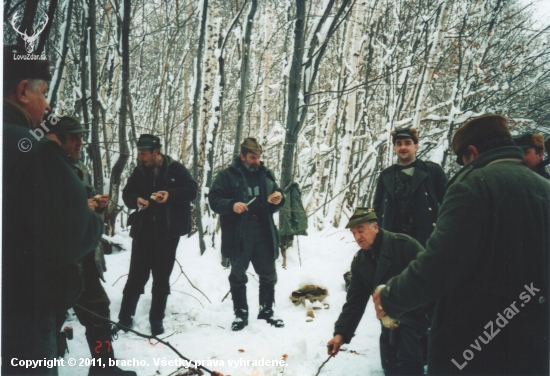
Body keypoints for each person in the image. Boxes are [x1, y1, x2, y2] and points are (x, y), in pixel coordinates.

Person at [373, 114, 550, 375]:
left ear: (472, 151)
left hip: (478, 338)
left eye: (464, 160)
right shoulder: (544, 187)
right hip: (534, 337)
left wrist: (390, 296)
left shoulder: (472, 185)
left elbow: (442, 263)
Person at [2, 45, 103, 375]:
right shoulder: (32, 150)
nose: (46, 105)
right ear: (22, 91)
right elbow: (73, 235)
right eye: (43, 93)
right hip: (22, 310)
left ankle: (105, 364)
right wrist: (93, 218)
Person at [56, 116, 135, 375]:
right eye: (74, 136)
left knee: (99, 311)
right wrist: (81, 208)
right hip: (56, 262)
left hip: (85, 256)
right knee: (47, 319)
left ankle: (104, 368)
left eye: (82, 136)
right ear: (59, 137)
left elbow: (84, 200)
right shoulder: (46, 166)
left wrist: (95, 204)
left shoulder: (78, 167)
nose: (80, 141)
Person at [327, 208, 428, 375]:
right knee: (390, 368)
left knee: (410, 365)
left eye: (361, 230)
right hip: (389, 325)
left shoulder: (404, 245)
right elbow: (354, 302)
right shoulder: (360, 262)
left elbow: (432, 279)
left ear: (375, 227)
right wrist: (340, 334)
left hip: (421, 318)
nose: (358, 237)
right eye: (353, 233)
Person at [118, 134, 198, 336]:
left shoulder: (175, 169)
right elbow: (127, 193)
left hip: (167, 234)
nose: (140, 157)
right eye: (138, 153)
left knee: (161, 278)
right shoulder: (139, 172)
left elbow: (191, 190)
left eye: (143, 153)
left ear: (156, 152)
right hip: (143, 231)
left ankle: (156, 321)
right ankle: (124, 319)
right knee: (136, 276)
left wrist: (170, 195)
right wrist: (137, 200)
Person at [209, 137, 285, 331]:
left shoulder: (266, 175)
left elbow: (275, 197)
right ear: (241, 156)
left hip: (263, 231)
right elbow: (214, 200)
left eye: (258, 157)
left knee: (268, 273)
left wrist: (278, 199)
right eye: (252, 157)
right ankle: (240, 314)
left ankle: (266, 311)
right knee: (237, 275)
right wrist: (231, 205)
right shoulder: (227, 176)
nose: (256, 161)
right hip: (238, 233)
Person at [372, 127, 447, 248]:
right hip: (393, 241)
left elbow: (448, 203)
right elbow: (377, 209)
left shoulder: (432, 171)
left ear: (416, 146)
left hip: (425, 239)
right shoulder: (386, 175)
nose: (403, 147)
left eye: (407, 143)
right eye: (399, 144)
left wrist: (443, 231)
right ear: (394, 147)